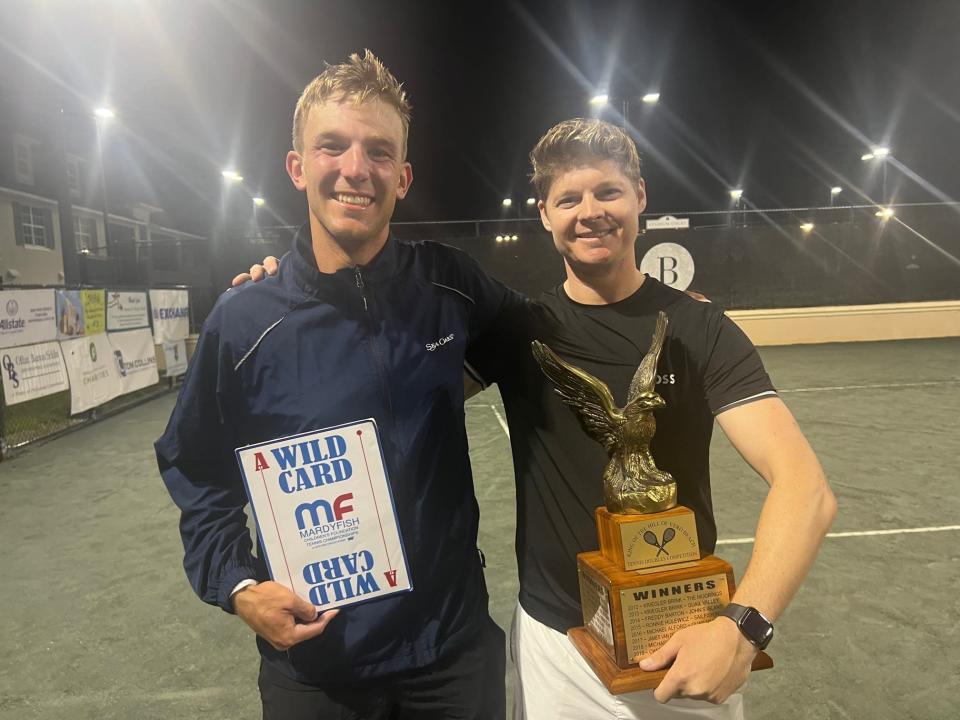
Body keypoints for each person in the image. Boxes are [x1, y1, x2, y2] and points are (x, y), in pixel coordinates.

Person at [238, 118, 837, 719]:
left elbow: (804, 487)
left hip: (681, 643)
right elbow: (388, 390)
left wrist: (742, 627)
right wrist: (297, 290)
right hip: (557, 654)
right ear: (546, 215)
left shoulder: (702, 329)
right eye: (568, 199)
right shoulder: (520, 332)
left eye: (608, 192)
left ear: (640, 197)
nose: (591, 212)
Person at [156, 50, 517, 719]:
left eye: (379, 152)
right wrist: (239, 586)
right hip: (316, 671)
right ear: (298, 167)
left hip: (453, 656)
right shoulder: (243, 322)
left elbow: (543, 341)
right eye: (333, 147)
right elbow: (196, 468)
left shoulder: (450, 285)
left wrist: (664, 308)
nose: (356, 169)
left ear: (403, 177)